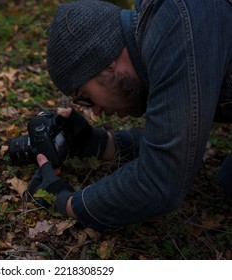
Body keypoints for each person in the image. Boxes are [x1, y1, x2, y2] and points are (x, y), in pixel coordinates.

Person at [29, 0, 232, 233]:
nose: (94, 110)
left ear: (106, 63)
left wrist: (67, 202)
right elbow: (182, 138)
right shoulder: (167, 25)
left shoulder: (178, 26)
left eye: (86, 96)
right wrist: (102, 143)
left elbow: (160, 182)